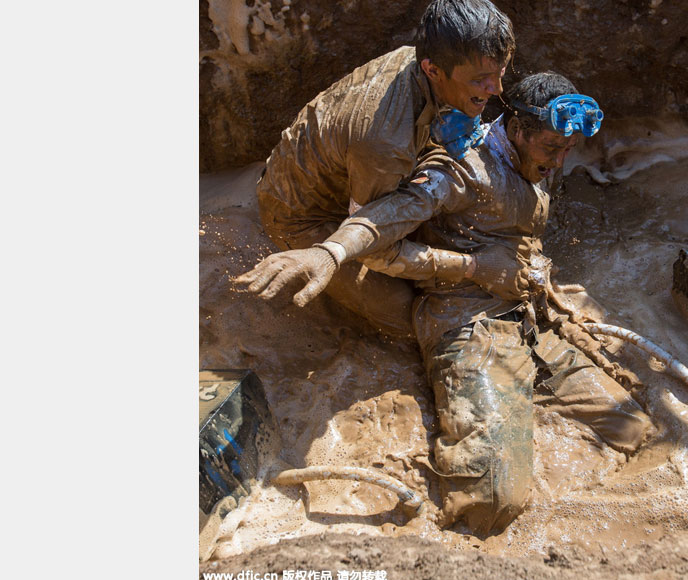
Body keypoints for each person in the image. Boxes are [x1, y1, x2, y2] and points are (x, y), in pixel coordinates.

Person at [236, 73, 654, 534]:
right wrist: (470, 267)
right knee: (491, 502)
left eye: (567, 149)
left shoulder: (534, 159)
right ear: (517, 129)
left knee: (632, 427)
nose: (558, 161)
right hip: (468, 326)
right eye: (552, 147)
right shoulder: (457, 170)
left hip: (526, 318)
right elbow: (379, 235)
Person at [254, 0, 515, 338]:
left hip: (354, 169)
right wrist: (474, 267)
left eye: (500, 71)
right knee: (412, 320)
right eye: (481, 80)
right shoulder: (384, 144)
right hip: (303, 214)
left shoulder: (428, 55)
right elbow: (373, 248)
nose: (497, 89)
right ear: (433, 70)